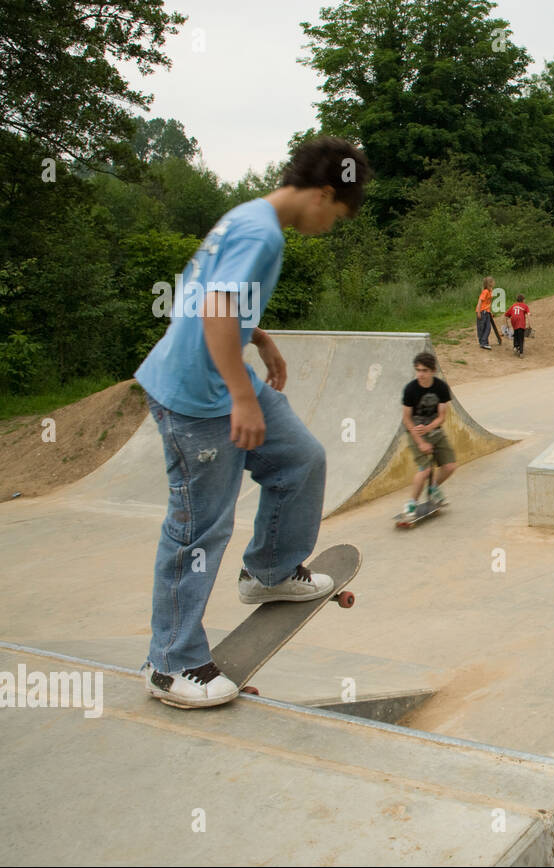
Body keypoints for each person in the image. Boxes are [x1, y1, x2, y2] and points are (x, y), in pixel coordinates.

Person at [134, 136, 371, 708]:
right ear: (321, 194)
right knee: (198, 529)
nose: (330, 227)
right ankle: (169, 663)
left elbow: (205, 293)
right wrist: (243, 396)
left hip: (223, 376)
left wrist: (259, 338)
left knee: (300, 459)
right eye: (336, 216)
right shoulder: (262, 233)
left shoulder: (247, 216)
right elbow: (215, 309)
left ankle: (269, 571)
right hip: (196, 396)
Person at [401, 351, 458, 513]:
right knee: (425, 470)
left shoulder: (440, 388)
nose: (421, 374)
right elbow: (406, 419)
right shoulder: (410, 389)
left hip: (434, 430)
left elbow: (441, 417)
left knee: (450, 466)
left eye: (425, 371)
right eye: (418, 370)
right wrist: (421, 442)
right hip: (415, 433)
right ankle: (411, 503)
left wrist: (429, 428)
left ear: (433, 371)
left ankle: (433, 489)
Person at [506, 293, 531, 357]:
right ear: (523, 300)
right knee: (521, 337)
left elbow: (507, 315)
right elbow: (528, 315)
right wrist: (529, 324)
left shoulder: (513, 305)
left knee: (516, 333)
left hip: (514, 321)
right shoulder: (525, 306)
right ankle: (521, 352)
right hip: (521, 322)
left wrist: (507, 324)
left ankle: (515, 346)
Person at [475, 277, 496, 350]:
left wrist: (490, 312)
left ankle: (484, 342)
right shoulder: (485, 291)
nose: (494, 283)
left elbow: (488, 303)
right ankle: (483, 343)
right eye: (493, 281)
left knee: (488, 327)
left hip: (486, 312)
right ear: (489, 283)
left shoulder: (490, 291)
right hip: (482, 311)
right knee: (482, 327)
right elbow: (480, 301)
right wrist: (478, 312)